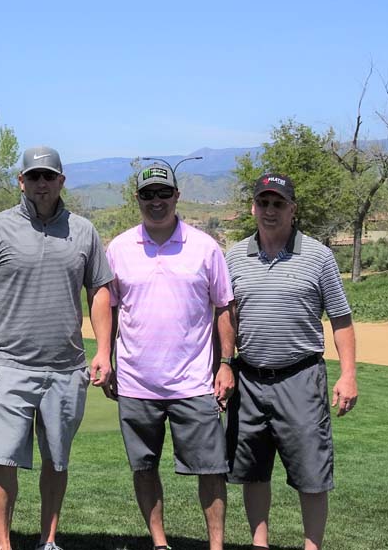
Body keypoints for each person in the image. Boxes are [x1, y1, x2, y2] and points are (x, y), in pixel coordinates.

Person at [0, 146, 114, 550]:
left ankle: (48, 540)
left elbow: (99, 290)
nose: (41, 184)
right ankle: (2, 543)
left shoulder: (83, 231)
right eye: (34, 177)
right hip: (9, 365)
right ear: (21, 181)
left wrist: (103, 351)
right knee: (4, 458)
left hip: (67, 367)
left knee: (57, 460)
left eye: (49, 176)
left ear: (61, 181)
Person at [104, 164, 235, 550]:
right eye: (148, 195)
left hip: (193, 382)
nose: (156, 202)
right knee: (143, 468)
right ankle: (160, 543)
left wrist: (226, 363)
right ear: (137, 199)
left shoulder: (205, 246)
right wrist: (106, 358)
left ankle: (216, 545)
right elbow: (108, 308)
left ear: (177, 196)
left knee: (211, 469)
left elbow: (224, 307)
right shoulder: (119, 248)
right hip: (135, 382)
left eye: (163, 194)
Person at [225, 173, 358, 550]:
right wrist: (221, 365)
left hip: (300, 377)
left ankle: (312, 546)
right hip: (248, 379)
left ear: (292, 209)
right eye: (263, 203)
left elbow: (342, 320)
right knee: (252, 470)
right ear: (253, 207)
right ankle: (259, 544)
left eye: (278, 203)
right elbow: (225, 318)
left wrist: (348, 374)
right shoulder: (234, 257)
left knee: (311, 473)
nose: (270, 210)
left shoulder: (318, 256)